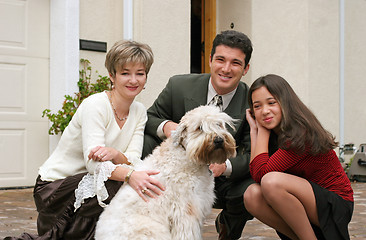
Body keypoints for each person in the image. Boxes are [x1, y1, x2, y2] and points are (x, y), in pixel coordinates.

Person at [5, 40, 165, 240]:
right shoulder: (96, 105)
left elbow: (133, 159)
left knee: (128, 182)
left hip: (92, 186)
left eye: (140, 73)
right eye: (125, 73)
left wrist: (115, 154)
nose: (133, 80)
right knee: (122, 182)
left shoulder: (139, 111)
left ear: (146, 77)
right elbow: (94, 166)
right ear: (112, 76)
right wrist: (130, 174)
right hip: (54, 188)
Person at [142, 30, 254, 240]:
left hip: (223, 181)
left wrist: (225, 166)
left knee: (251, 188)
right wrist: (167, 127)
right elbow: (149, 117)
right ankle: (152, 219)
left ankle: (228, 227)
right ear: (210, 60)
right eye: (220, 59)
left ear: (246, 68)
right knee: (146, 142)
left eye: (236, 63)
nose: (226, 69)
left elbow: (251, 151)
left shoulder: (252, 100)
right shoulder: (179, 85)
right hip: (179, 172)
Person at [243, 74, 354, 240]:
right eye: (257, 106)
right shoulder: (276, 133)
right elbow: (257, 173)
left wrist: (261, 131)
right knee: (251, 195)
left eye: (271, 102)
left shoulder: (300, 133)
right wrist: (255, 131)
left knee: (271, 182)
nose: (265, 111)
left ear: (285, 102)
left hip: (336, 204)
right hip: (307, 204)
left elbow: (261, 174)